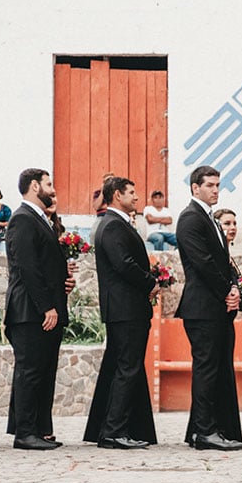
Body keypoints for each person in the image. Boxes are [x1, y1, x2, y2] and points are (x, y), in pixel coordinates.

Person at [84, 176, 159, 450]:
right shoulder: (113, 225)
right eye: (132, 192)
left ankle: (117, 427)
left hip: (124, 309)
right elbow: (124, 264)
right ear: (117, 195)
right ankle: (113, 430)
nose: (137, 197)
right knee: (127, 369)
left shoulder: (115, 224)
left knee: (125, 367)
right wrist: (150, 281)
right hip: (126, 309)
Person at [175, 165, 242, 451]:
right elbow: (202, 262)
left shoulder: (211, 220)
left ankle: (201, 428)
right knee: (206, 369)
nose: (216, 189)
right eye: (210, 185)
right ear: (195, 188)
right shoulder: (190, 219)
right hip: (202, 307)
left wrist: (235, 287)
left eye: (218, 185)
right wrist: (226, 290)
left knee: (214, 369)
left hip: (215, 306)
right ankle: (205, 433)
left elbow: (223, 261)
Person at [4, 168, 75, 450]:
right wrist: (47, 306)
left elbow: (44, 265)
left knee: (44, 371)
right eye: (48, 184)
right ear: (35, 186)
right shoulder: (22, 219)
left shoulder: (40, 219)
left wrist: (63, 281)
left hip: (44, 308)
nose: (52, 189)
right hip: (30, 311)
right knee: (30, 371)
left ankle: (41, 428)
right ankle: (25, 433)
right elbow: (27, 267)